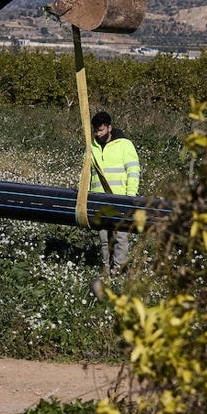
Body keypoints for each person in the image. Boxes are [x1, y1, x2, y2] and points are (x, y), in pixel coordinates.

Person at [90, 110, 141, 289]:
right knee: (104, 237)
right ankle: (106, 271)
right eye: (96, 131)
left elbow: (133, 170)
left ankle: (118, 274)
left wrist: (130, 197)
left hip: (120, 199)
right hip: (99, 200)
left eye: (101, 130)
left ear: (110, 128)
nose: (98, 134)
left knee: (120, 237)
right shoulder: (92, 147)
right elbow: (87, 174)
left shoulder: (124, 145)